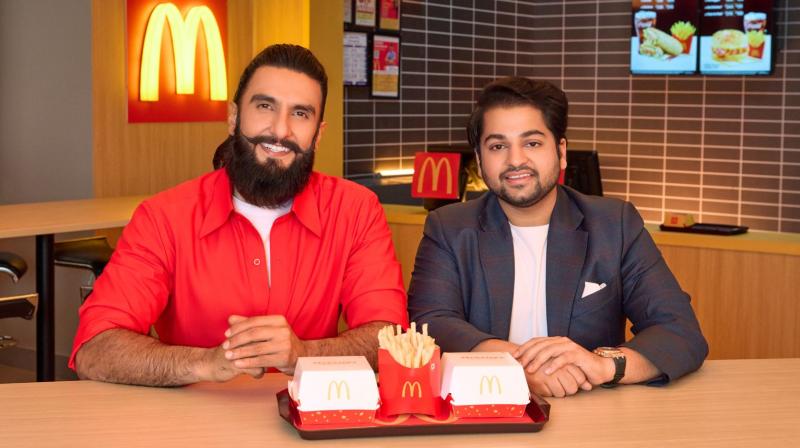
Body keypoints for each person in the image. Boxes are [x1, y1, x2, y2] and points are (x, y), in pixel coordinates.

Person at [71, 44, 408, 386]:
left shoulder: (356, 210)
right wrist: (206, 362)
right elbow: (95, 349)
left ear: (318, 135)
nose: (280, 130)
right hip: (189, 427)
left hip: (312, 425)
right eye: (265, 106)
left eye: (301, 114)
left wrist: (302, 353)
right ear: (234, 117)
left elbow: (389, 339)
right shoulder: (162, 217)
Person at [408, 77, 707, 398]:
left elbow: (680, 330)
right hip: (485, 404)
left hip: (591, 407)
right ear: (480, 162)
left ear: (561, 151)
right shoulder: (449, 226)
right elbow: (431, 323)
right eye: (498, 146)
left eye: (532, 143)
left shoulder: (614, 224)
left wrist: (602, 365)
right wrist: (516, 365)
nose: (516, 160)